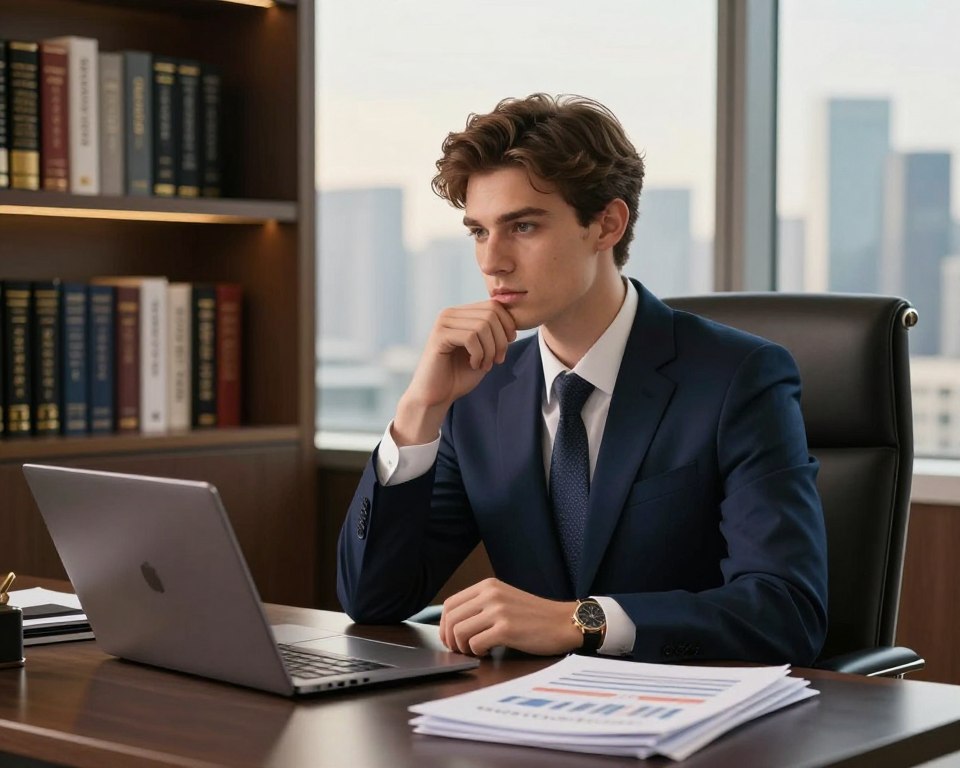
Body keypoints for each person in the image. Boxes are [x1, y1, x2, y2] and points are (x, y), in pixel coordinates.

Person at [337, 93, 828, 665]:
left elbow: (786, 611)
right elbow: (373, 599)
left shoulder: (738, 379)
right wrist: (419, 410)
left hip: (691, 722)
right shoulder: (481, 395)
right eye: (478, 231)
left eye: (522, 226)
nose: (492, 261)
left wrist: (581, 621)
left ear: (606, 225)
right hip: (523, 716)